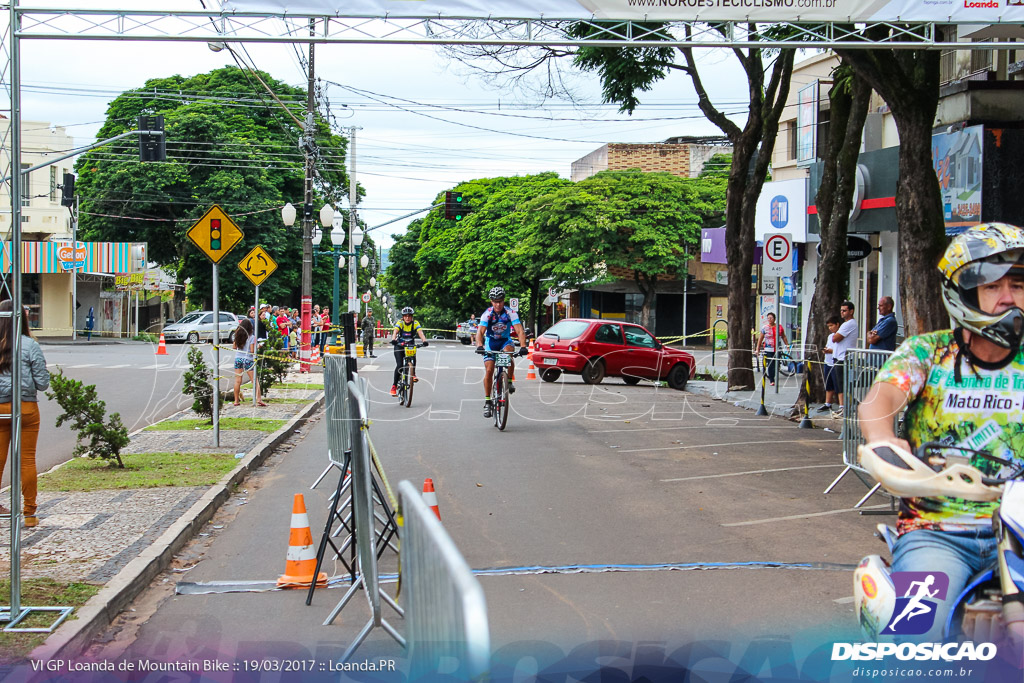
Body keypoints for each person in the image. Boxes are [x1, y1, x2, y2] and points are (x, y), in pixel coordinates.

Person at [859, 222, 1024, 642]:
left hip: (1019, 530)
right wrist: (882, 438)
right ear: (966, 294)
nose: (1010, 297)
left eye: (1019, 285)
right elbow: (879, 402)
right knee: (917, 636)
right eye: (993, 286)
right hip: (939, 532)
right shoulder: (926, 353)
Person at [0, 300, 49, 528]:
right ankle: (29, 513)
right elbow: (42, 384)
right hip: (26, 408)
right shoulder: (30, 345)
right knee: (27, 460)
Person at [475, 286, 529, 418]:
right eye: (494, 301)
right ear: (491, 302)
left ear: (504, 301)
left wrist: (523, 346)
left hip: (505, 341)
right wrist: (480, 345)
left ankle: (509, 381)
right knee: (489, 370)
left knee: (509, 353)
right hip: (491, 342)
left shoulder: (510, 313)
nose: (497, 304)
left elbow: (519, 330)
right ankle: (488, 401)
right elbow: (480, 332)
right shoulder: (487, 314)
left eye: (500, 301)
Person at [390, 307, 428, 396]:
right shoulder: (400, 323)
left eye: (409, 316)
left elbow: (420, 332)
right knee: (399, 365)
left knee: (413, 358)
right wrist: (393, 339)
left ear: (412, 317)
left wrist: (424, 341)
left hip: (410, 345)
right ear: (403, 317)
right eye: (405, 316)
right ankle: (394, 386)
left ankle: (413, 374)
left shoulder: (415, 323)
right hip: (399, 345)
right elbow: (395, 331)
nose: (407, 318)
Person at [830, 300, 859, 415]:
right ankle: (843, 407)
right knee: (839, 384)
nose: (842, 313)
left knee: (843, 384)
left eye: (845, 310)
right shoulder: (845, 324)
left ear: (851, 311)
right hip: (838, 356)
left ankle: (845, 407)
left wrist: (835, 334)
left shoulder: (850, 324)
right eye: (841, 310)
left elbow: (835, 338)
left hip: (844, 358)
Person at [232, 318, 266, 407]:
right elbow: (251, 350)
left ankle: (236, 400)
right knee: (254, 380)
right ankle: (259, 399)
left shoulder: (237, 335)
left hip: (238, 358)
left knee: (237, 381)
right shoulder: (252, 337)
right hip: (248, 360)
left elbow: (234, 347)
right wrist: (258, 347)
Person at [817, 315, 842, 413]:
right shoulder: (830, 336)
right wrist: (826, 350)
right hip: (827, 362)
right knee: (828, 383)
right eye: (829, 326)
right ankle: (828, 403)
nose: (830, 328)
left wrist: (831, 350)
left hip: (835, 362)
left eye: (832, 325)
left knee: (838, 384)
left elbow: (838, 349)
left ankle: (841, 405)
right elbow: (828, 346)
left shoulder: (840, 336)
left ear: (837, 324)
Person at [756, 312, 789, 386]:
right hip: (768, 349)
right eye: (768, 318)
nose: (769, 319)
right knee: (770, 363)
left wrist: (787, 345)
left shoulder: (779, 327)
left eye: (771, 318)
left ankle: (773, 375)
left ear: (774, 318)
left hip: (777, 348)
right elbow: (760, 339)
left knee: (776, 363)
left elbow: (783, 336)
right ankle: (772, 379)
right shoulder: (765, 328)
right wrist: (757, 348)